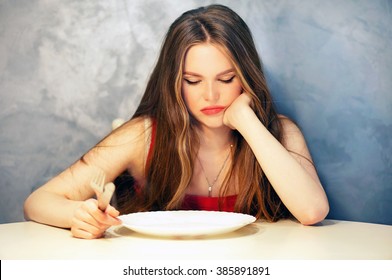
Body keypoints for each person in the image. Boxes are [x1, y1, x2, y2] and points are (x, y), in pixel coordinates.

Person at [24, 4, 329, 239]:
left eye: (226, 78)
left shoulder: (281, 132)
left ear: (247, 77)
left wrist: (246, 120)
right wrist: (79, 214)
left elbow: (312, 210)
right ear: (174, 83)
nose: (211, 95)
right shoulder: (142, 136)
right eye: (193, 81)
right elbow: (39, 201)